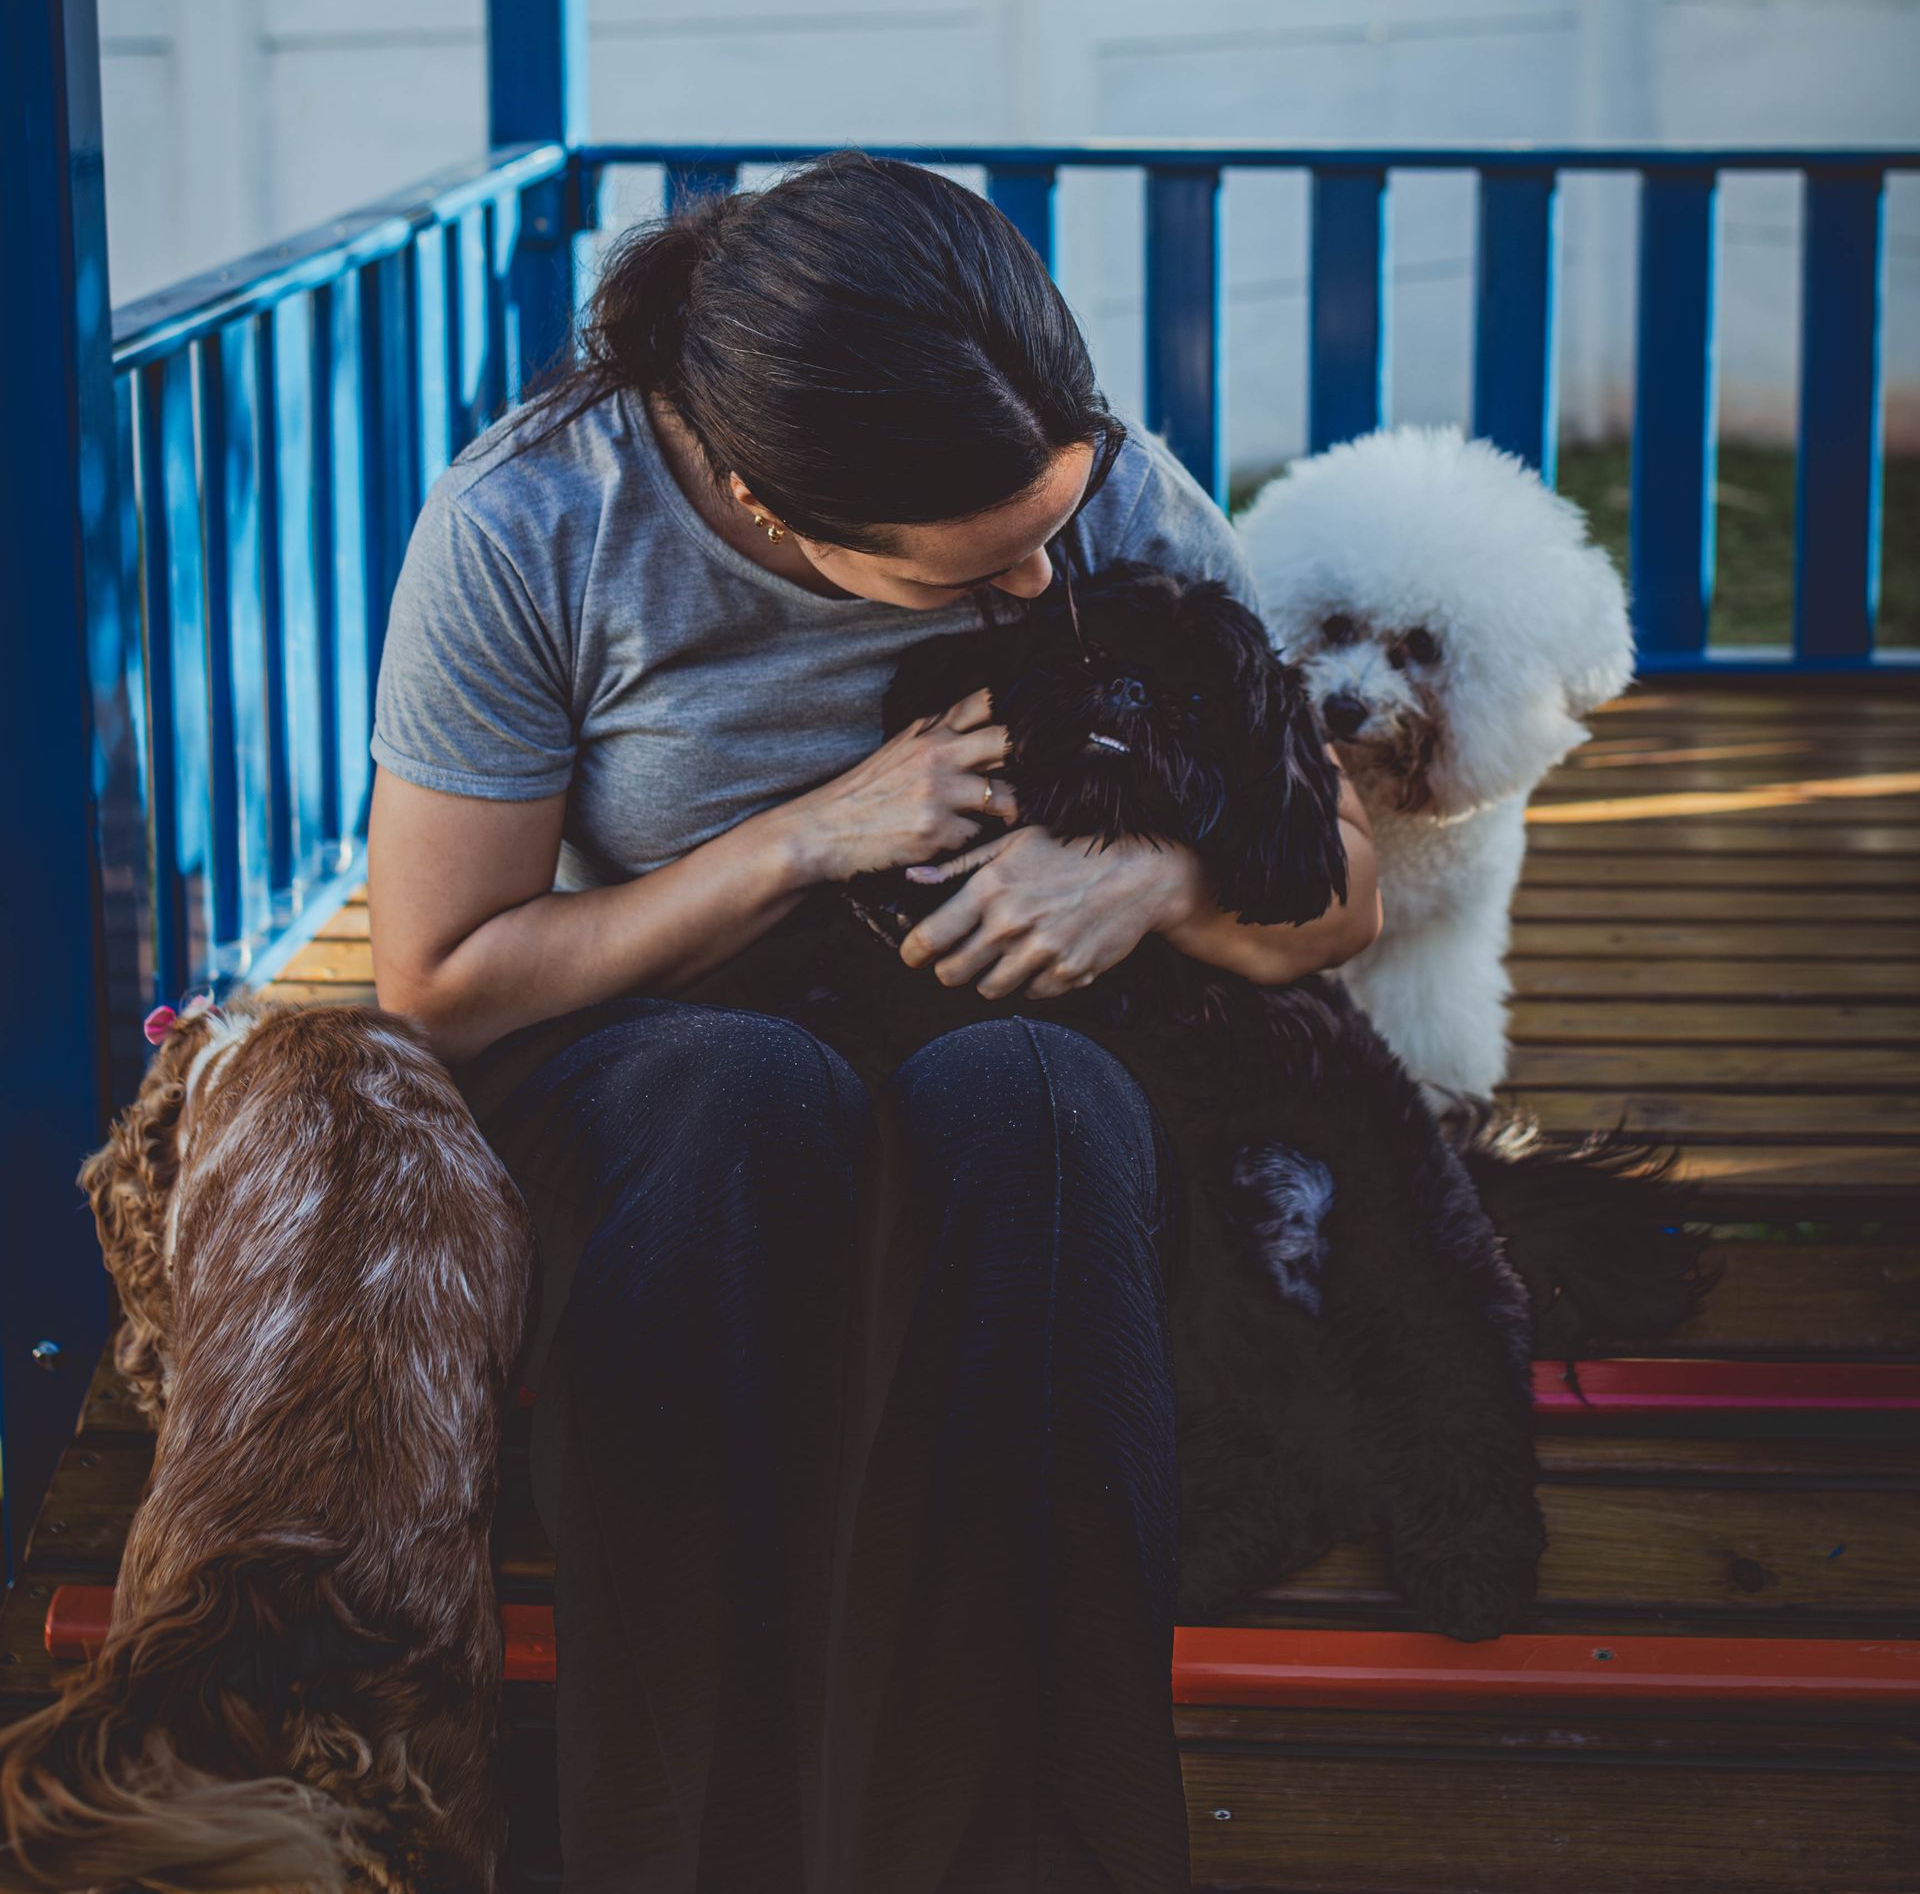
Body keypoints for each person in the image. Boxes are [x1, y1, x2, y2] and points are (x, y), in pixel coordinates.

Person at [368, 153, 1379, 1894]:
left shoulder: (1108, 487)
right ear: (769, 505)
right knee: (741, 1099)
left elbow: (1343, 887)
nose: (1043, 581)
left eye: (1056, 528)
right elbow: (443, 980)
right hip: (664, 1059)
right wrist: (803, 838)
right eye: (975, 571)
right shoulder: (533, 522)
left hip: (1001, 1035)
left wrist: (1150, 880)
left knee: (1038, 1104)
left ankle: (1028, 1864)